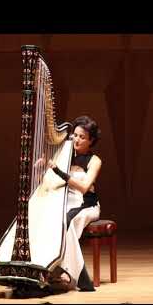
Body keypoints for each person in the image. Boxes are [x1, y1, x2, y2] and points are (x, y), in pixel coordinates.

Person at [48, 115, 102, 292]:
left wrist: (59, 172)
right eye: (75, 135)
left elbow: (85, 187)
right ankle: (52, 268)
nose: (77, 139)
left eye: (82, 137)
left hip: (88, 206)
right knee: (53, 219)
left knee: (67, 221)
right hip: (67, 204)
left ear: (91, 140)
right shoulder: (65, 156)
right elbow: (52, 180)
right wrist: (44, 167)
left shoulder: (95, 161)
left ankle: (74, 274)